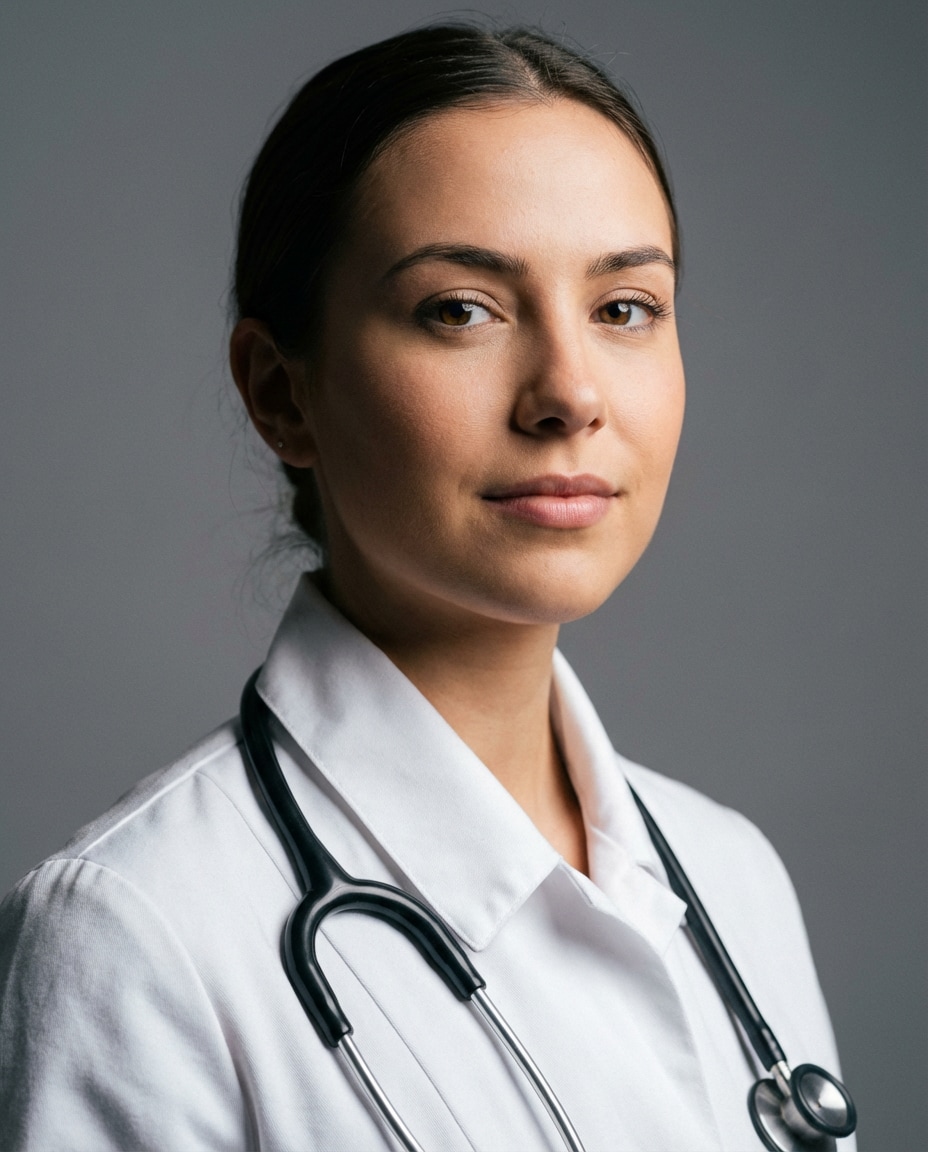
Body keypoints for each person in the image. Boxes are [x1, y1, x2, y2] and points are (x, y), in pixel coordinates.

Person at [0, 23, 853, 1152]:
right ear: (281, 393)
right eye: (461, 309)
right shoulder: (136, 931)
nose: (569, 395)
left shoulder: (731, 878)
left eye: (623, 308)